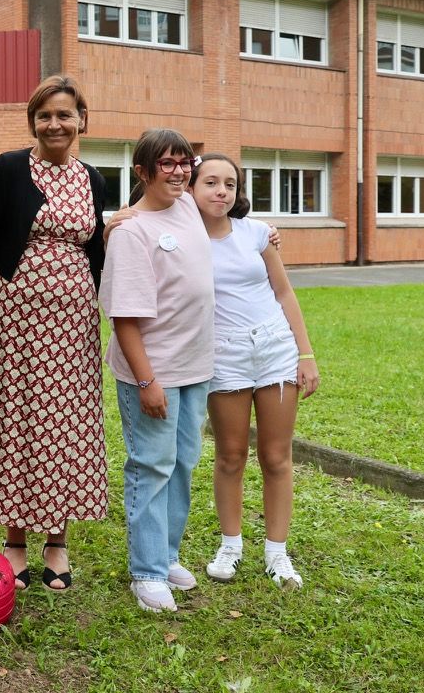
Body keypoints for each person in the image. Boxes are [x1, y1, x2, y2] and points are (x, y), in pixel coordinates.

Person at [0, 74, 107, 592]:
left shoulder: (94, 178)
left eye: (64, 114)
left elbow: (107, 245)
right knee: (21, 416)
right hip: (20, 317)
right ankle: (14, 540)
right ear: (33, 121)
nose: (55, 123)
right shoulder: (10, 168)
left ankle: (57, 541)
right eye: (45, 115)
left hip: (76, 319)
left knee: (66, 423)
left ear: (81, 121)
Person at [187, 153, 319, 589]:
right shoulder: (180, 236)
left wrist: (305, 354)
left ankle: (277, 555)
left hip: (275, 350)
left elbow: (284, 291)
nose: (221, 191)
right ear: (190, 187)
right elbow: (132, 213)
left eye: (229, 183)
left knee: (277, 457)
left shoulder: (258, 233)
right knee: (230, 455)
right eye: (210, 182)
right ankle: (231, 544)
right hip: (223, 356)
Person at [101, 128, 214, 613]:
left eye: (183, 162)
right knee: (152, 465)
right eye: (165, 163)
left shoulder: (187, 206)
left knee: (183, 464)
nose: (177, 170)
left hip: (196, 368)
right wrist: (147, 382)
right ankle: (146, 572)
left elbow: (229, 212)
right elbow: (124, 316)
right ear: (142, 171)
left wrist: (267, 231)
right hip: (154, 372)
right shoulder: (131, 233)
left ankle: (166, 556)